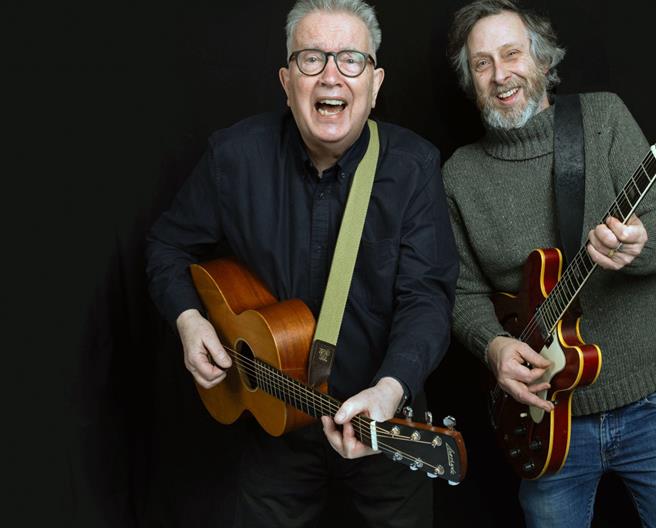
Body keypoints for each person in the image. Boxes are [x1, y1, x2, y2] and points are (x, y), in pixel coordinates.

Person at [145, 0, 458, 525]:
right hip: (272, 431)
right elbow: (166, 246)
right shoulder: (234, 156)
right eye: (312, 59)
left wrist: (390, 388)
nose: (331, 76)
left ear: (375, 83)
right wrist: (189, 319)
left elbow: (427, 298)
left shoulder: (414, 167)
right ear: (287, 81)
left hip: (383, 417)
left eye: (350, 60)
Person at [442, 1, 656, 526]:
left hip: (651, 401)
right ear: (470, 80)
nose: (501, 75)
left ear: (542, 60)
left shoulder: (604, 118)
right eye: (482, 63)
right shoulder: (459, 176)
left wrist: (639, 244)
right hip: (540, 419)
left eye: (512, 53)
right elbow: (460, 292)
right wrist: (494, 347)